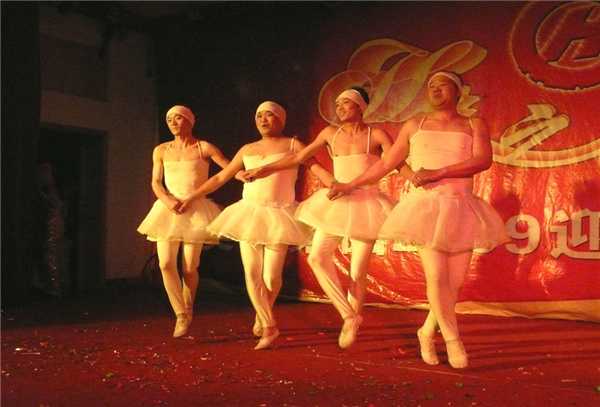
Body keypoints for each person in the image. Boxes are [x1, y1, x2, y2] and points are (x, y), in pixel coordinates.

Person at [328, 72, 510, 368]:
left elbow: (482, 160)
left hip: (461, 206)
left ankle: (426, 332)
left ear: (459, 91)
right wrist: (350, 185)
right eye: (431, 86)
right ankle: (453, 340)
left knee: (456, 283)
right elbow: (388, 162)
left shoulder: (474, 124)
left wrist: (439, 172)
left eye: (442, 85)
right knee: (436, 277)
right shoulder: (415, 124)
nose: (435, 90)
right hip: (426, 208)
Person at [243, 88, 397, 349]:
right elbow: (299, 157)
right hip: (337, 202)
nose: (340, 107)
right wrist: (262, 169)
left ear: (361, 107)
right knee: (316, 257)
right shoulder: (329, 133)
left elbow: (393, 161)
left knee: (357, 271)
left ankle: (351, 322)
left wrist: (418, 176)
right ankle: (349, 315)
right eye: (337, 104)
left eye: (345, 103)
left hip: (367, 204)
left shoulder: (378, 135)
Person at [188, 101, 335, 350]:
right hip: (249, 214)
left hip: (279, 214)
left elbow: (317, 168)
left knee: (271, 276)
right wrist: (193, 196)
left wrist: (337, 185)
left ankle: (262, 311)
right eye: (259, 116)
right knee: (251, 272)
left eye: (269, 115)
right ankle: (269, 325)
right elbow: (221, 176)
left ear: (281, 119)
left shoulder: (293, 145)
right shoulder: (248, 149)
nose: (263, 120)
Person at [138, 105, 231, 338]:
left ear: (190, 121)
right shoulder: (161, 150)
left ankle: (188, 308)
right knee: (165, 264)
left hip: (195, 207)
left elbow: (229, 169)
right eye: (169, 118)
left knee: (190, 266)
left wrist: (249, 174)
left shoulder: (204, 147)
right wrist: (167, 200)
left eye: (178, 118)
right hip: (169, 207)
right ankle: (180, 313)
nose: (173, 122)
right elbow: (156, 182)